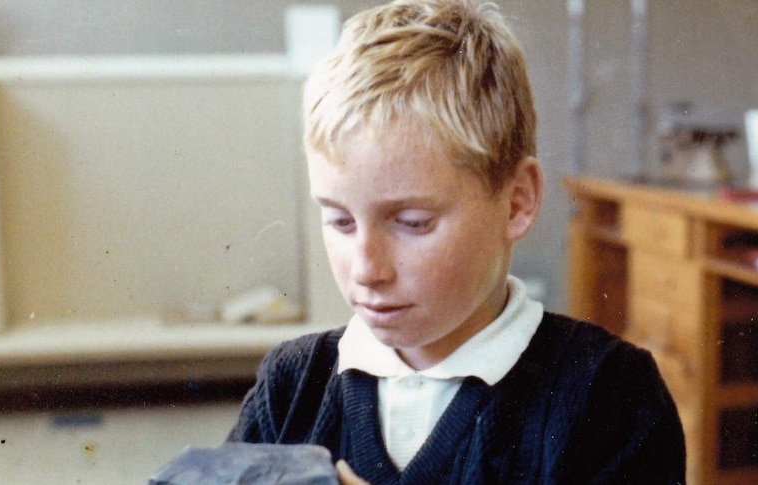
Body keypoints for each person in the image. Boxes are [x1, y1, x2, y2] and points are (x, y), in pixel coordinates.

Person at [227, 0, 686, 483]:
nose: (366, 269)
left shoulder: (609, 396)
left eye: (412, 222)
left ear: (516, 202)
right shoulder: (290, 387)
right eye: (340, 221)